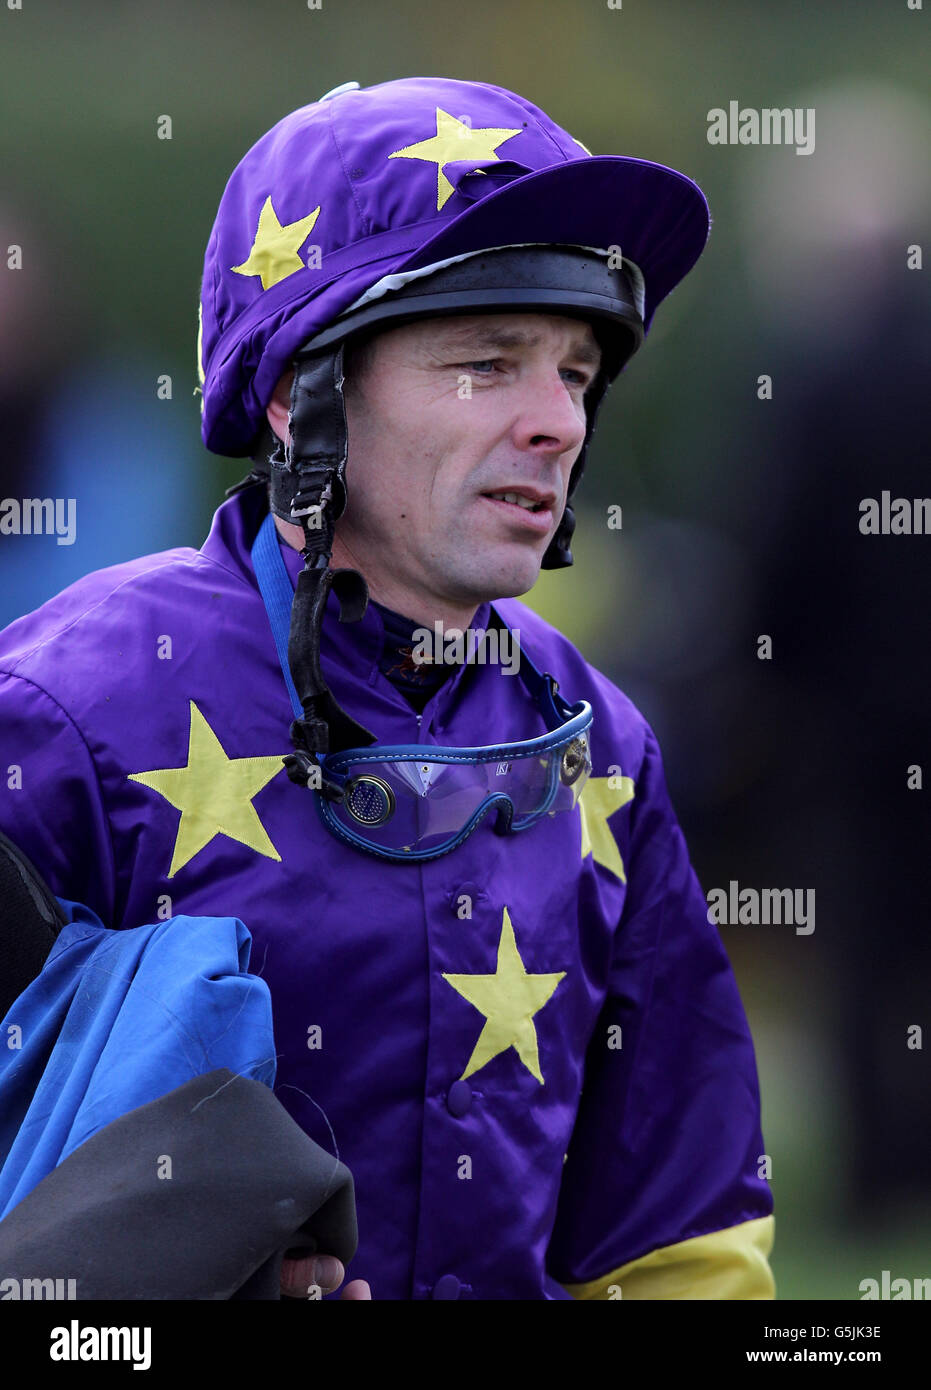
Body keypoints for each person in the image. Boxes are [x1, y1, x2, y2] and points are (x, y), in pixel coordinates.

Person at [0, 75, 774, 1299]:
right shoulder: (63, 713)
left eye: (575, 373)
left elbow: (680, 1242)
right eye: (486, 363)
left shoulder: (601, 744)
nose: (555, 423)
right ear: (297, 398)